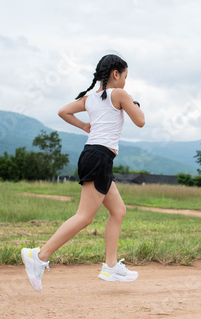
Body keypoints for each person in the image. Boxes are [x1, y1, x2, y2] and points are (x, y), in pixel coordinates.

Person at [21, 54, 145, 291]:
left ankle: (110, 266)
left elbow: (63, 111)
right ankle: (39, 256)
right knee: (85, 216)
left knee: (118, 211)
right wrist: (135, 104)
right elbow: (140, 121)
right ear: (115, 74)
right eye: (125, 76)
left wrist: (85, 126)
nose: (126, 82)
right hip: (99, 157)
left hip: (95, 156)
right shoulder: (119, 94)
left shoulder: (90, 98)